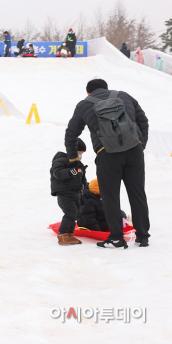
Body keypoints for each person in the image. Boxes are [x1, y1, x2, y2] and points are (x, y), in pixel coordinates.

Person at [64, 78, 149, 248]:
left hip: (107, 154)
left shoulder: (84, 104)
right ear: (107, 89)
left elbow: (71, 134)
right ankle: (143, 236)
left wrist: (73, 159)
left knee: (110, 197)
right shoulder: (124, 96)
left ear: (88, 92)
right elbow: (143, 121)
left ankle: (117, 238)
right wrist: (141, 145)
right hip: (134, 151)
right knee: (138, 193)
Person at [50, 138, 87, 245]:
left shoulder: (78, 164)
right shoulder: (61, 160)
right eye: (79, 153)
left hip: (75, 192)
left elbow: (82, 177)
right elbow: (57, 173)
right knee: (70, 212)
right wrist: (71, 171)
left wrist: (85, 187)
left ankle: (70, 234)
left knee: (75, 214)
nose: (80, 156)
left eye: (82, 154)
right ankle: (63, 234)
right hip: (64, 192)